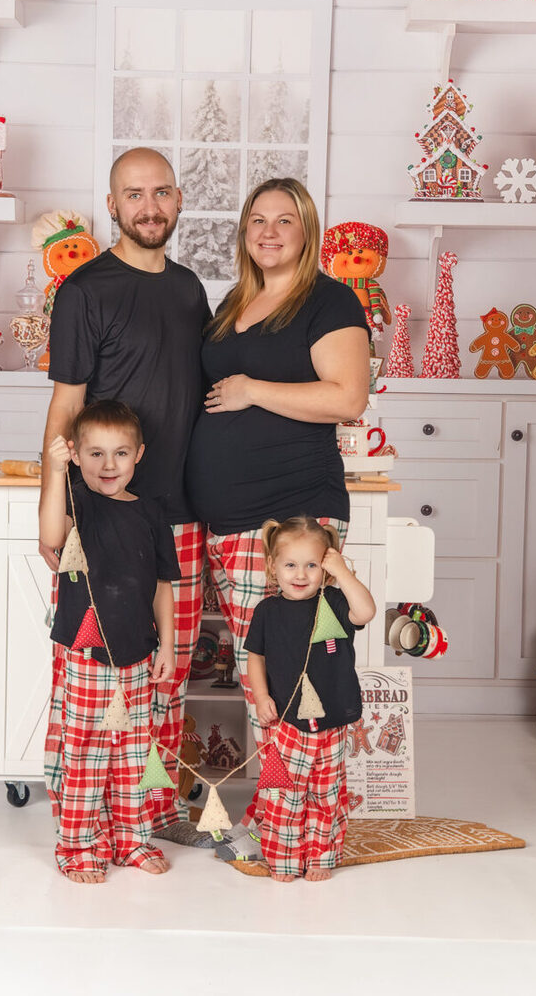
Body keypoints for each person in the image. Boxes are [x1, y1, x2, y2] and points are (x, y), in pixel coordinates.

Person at [185, 177, 371, 868]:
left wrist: (252, 389)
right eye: (256, 220)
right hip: (227, 520)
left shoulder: (326, 298)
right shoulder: (234, 303)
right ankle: (278, 811)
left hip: (293, 514)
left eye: (284, 220)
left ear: (307, 229)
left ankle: (304, 821)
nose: (268, 231)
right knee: (260, 669)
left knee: (298, 676)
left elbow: (348, 396)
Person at [40, 148, 213, 847]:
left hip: (177, 511)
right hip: (100, 519)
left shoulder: (189, 289)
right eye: (134, 194)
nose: (149, 206)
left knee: (165, 677)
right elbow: (65, 406)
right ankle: (83, 814)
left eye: (161, 192)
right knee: (91, 675)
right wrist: (52, 500)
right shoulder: (85, 290)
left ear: (177, 201)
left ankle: (148, 814)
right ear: (112, 205)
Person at [40, 399, 180, 883]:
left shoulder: (151, 512)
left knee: (133, 752)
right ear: (77, 455)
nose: (108, 465)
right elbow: (51, 536)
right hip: (87, 655)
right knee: (85, 752)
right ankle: (78, 846)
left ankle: (132, 839)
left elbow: (164, 583)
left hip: (137, 653)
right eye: (95, 453)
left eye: (120, 453)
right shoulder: (77, 501)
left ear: (138, 454)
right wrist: (55, 472)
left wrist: (169, 645)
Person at [245, 517, 376, 881]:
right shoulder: (267, 611)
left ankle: (320, 856)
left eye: (312, 565)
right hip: (287, 722)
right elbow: (255, 657)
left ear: (325, 567)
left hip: (332, 721)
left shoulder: (334, 600)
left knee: (326, 794)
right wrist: (260, 696)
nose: (300, 574)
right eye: (290, 564)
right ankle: (283, 859)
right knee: (284, 794)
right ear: (273, 567)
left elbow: (365, 611)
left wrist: (342, 572)